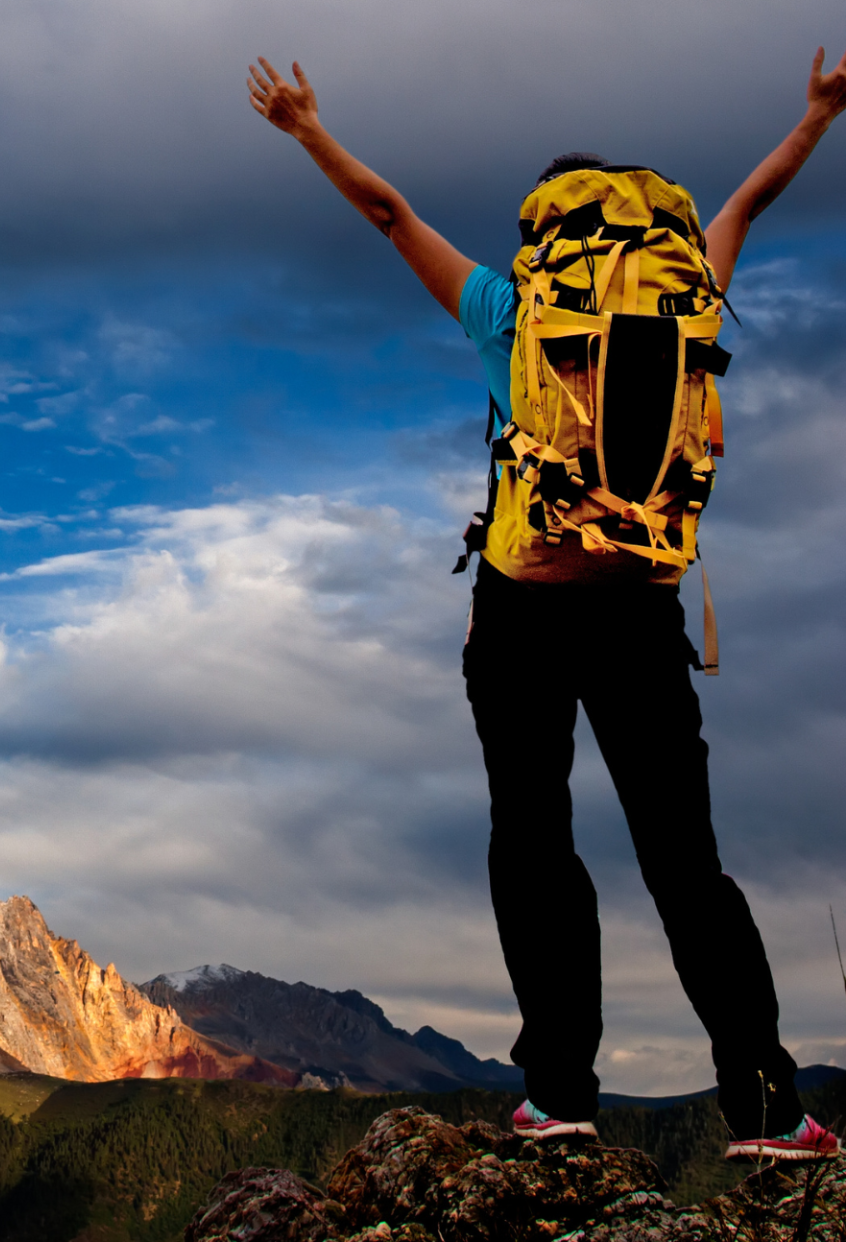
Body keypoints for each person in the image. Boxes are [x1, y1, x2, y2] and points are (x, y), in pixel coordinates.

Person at [248, 49, 846, 1158]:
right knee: (685, 862)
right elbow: (752, 201)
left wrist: (307, 130)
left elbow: (389, 214)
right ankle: (773, 1110)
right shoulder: (688, 287)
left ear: (548, 230)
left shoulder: (509, 305)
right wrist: (817, 116)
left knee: (533, 840)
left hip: (524, 600)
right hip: (641, 604)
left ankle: (559, 1095)